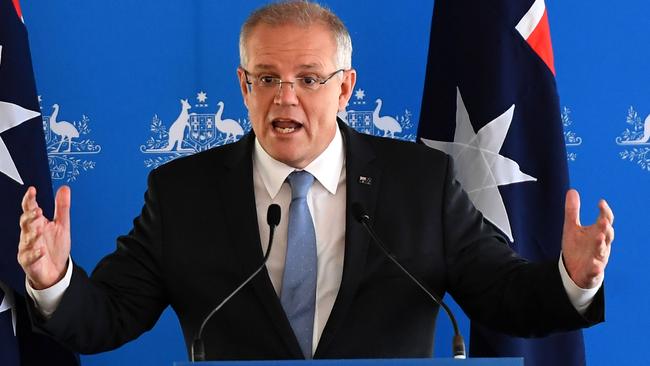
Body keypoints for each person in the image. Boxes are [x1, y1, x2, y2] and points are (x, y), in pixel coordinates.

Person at [17, 0, 613, 361]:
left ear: (346, 87)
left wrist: (573, 281)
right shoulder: (183, 194)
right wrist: (53, 281)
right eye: (267, 77)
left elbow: (502, 296)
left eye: (308, 78)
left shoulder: (420, 183)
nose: (287, 97)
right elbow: (108, 316)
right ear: (243, 86)